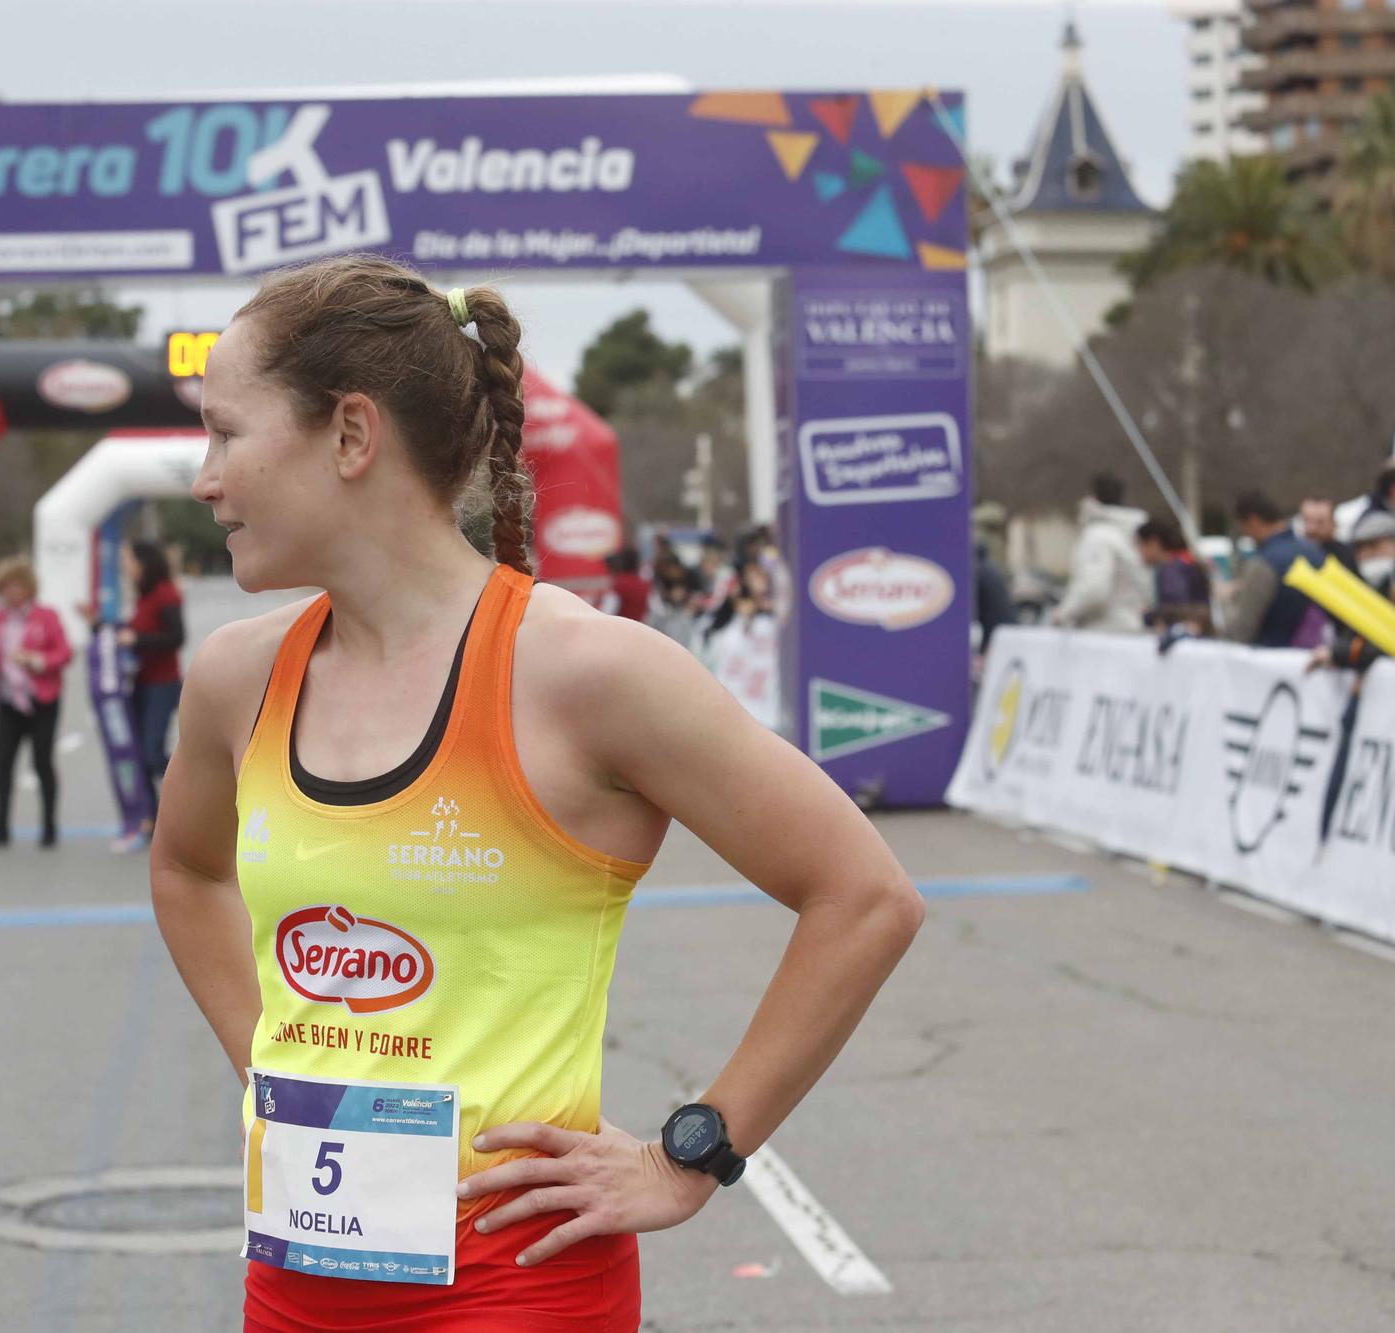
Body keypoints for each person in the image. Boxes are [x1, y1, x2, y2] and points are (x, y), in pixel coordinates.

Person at [149, 256, 922, 1332]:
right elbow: (185, 870)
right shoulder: (236, 676)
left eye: (226, 432)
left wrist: (690, 1151)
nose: (203, 477)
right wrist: (266, 1073)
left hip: (517, 1289)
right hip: (292, 1286)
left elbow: (864, 896)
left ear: (349, 435)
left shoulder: (585, 673)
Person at [0, 558, 72, 848]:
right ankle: (1, 827)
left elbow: (64, 653)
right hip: (8, 700)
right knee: (3, 761)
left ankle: (49, 827)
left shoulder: (46, 616)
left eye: (15, 587)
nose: (10, 593)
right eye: (4, 588)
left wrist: (37, 660)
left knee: (42, 760)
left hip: (41, 698)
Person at [113, 540, 186, 854]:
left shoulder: (165, 594)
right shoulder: (140, 596)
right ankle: (154, 821)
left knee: (152, 752)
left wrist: (137, 639)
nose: (124, 565)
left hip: (162, 683)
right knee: (140, 757)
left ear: (143, 562)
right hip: (139, 683)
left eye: (128, 559)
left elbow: (176, 637)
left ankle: (192, 785)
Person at [1312, 510, 1395, 674]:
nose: (1365, 555)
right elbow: (1355, 635)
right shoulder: (1371, 587)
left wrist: (1339, 654)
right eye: (1359, 548)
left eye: (1373, 546)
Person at [1050, 474, 1150, 633]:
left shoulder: (1099, 537)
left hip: (1103, 632)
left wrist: (1062, 614)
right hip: (1128, 628)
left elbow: (1094, 590)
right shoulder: (1127, 535)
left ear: (1093, 497)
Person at [1225, 491, 1326, 648]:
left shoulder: (1262, 564)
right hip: (1317, 656)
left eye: (1245, 529)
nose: (1247, 535)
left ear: (1254, 521)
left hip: (1273, 660)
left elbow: (1241, 631)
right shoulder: (1315, 552)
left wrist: (1229, 600)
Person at [1135, 519, 1213, 636]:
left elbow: (1175, 609)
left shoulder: (1171, 569)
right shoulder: (1187, 561)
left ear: (1154, 543)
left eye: (1139, 545)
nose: (1138, 552)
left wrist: (1149, 616)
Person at [596, 547, 652, 622]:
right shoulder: (645, 584)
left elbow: (608, 612)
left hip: (620, 629)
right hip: (640, 627)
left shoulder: (619, 584)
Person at [1298, 497, 1351, 571]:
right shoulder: (1293, 554)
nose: (1311, 529)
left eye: (1320, 522)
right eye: (1306, 520)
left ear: (1334, 523)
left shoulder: (1348, 554)